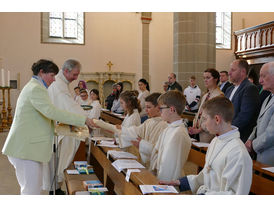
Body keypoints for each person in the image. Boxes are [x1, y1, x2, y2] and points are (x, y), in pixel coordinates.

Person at [1, 59, 93, 195]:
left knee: (32, 190)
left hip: (28, 148)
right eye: (52, 75)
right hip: (26, 149)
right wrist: (83, 119)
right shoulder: (35, 88)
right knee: (31, 192)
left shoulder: (36, 87)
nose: (54, 80)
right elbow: (51, 112)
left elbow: (45, 116)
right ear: (41, 72)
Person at [160, 96, 253, 195]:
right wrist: (180, 182)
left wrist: (204, 195)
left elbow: (236, 195)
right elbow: (206, 176)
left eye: (205, 119)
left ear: (217, 119)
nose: (203, 124)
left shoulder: (238, 152)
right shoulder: (215, 141)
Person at [43, 59, 88, 194]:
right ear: (66, 70)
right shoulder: (58, 84)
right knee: (56, 159)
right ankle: (54, 190)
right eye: (74, 74)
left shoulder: (61, 82)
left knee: (57, 160)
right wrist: (86, 119)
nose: (76, 78)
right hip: (56, 128)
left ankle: (56, 187)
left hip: (57, 125)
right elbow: (68, 105)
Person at [150, 90, 191, 181]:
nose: (159, 111)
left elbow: (169, 167)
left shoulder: (178, 134)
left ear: (172, 109)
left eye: (161, 108)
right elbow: (157, 154)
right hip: (160, 178)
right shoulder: (169, 129)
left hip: (170, 183)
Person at [120, 93, 168, 168]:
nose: (146, 110)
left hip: (157, 166)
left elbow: (159, 151)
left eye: (149, 107)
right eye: (145, 107)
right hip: (146, 163)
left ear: (158, 108)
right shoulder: (149, 121)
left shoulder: (164, 125)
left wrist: (142, 144)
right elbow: (136, 130)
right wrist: (120, 129)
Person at [245, 62, 274, 166]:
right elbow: (259, 123)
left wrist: (253, 145)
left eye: (263, 76)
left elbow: (271, 134)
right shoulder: (268, 97)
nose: (260, 81)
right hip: (261, 154)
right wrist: (250, 139)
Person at [225, 59, 260, 143]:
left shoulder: (249, 88)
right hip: (227, 134)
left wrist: (227, 130)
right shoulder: (229, 89)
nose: (229, 73)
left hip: (240, 136)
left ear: (243, 72)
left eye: (233, 70)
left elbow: (245, 116)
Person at [189, 68, 223, 143]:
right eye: (204, 78)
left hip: (208, 134)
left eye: (208, 78)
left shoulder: (219, 96)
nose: (205, 80)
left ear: (216, 79)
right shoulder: (206, 95)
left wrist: (200, 129)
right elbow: (199, 113)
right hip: (198, 133)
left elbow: (214, 118)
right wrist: (194, 125)